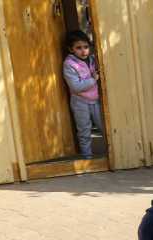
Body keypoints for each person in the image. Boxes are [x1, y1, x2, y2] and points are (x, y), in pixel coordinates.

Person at [61, 31, 103, 159]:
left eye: (86, 47)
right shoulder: (69, 64)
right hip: (80, 102)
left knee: (105, 127)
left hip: (95, 100)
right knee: (84, 131)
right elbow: (76, 87)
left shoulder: (92, 59)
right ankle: (87, 158)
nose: (83, 51)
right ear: (71, 49)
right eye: (78, 48)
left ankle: (112, 155)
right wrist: (93, 79)